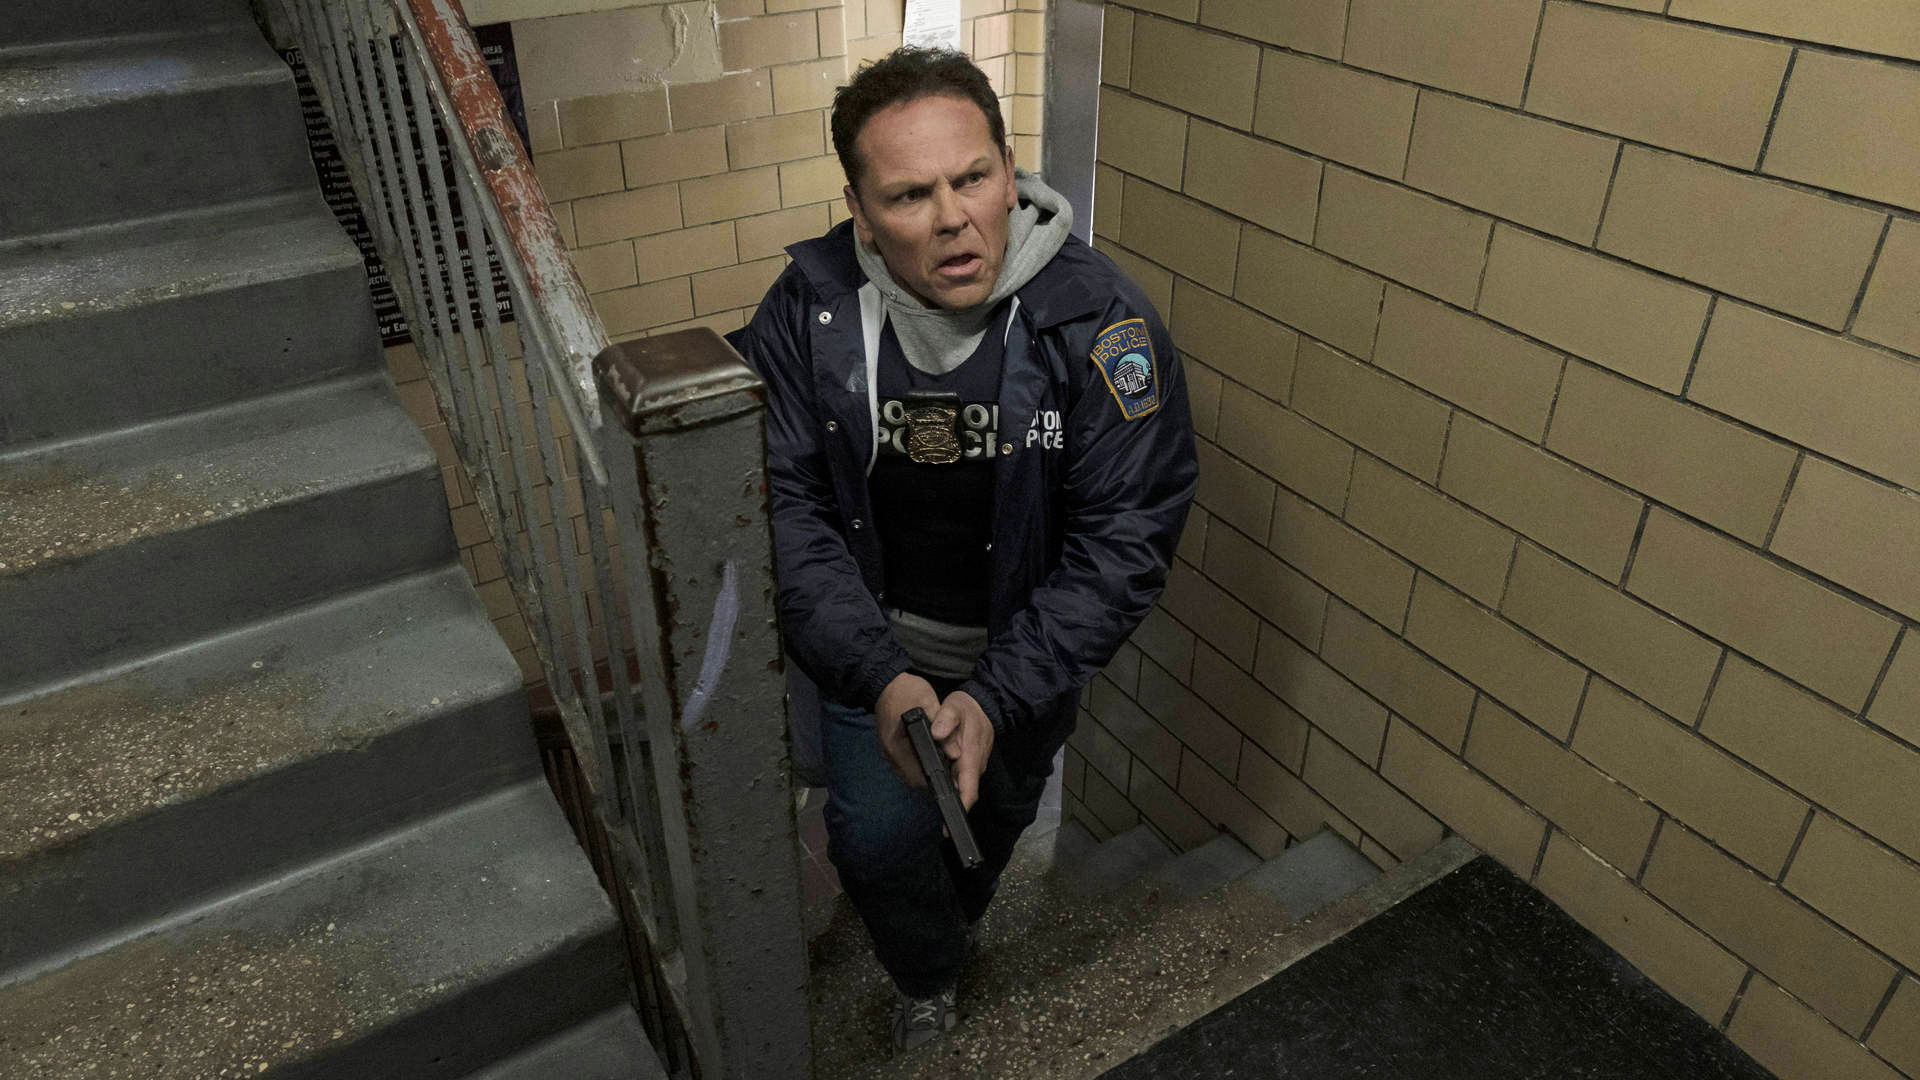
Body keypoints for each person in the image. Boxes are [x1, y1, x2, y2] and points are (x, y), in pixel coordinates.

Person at [725, 46, 1196, 1051]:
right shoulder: (807, 311)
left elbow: (1125, 536)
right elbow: (783, 505)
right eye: (910, 194)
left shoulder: (1099, 323)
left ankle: (953, 925)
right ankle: (928, 973)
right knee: (872, 840)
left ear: (1009, 170)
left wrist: (998, 696)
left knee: (991, 825)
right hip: (874, 646)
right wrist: (878, 673)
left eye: (972, 177)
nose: (952, 217)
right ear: (860, 211)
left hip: (1024, 657)